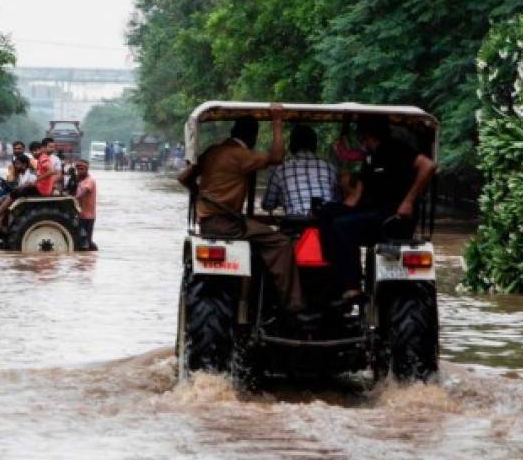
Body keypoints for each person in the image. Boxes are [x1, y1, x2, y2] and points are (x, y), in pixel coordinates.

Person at [178, 106, 306, 314]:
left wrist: (200, 193)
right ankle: (293, 305)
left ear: (232, 132)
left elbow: (183, 178)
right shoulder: (241, 155)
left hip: (209, 223)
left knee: (258, 231)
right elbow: (277, 157)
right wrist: (276, 122)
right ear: (252, 136)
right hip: (229, 225)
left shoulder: (212, 151)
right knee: (281, 243)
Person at [322, 115, 436, 301]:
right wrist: (333, 208)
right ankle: (334, 281)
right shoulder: (371, 159)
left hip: (392, 217)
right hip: (372, 215)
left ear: (367, 135)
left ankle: (351, 285)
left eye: (361, 137)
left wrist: (408, 201)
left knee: (340, 227)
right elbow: (354, 199)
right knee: (329, 216)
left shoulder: (396, 149)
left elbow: (428, 165)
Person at [262, 124, 339, 216]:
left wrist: (281, 198)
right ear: (314, 144)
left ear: (291, 145)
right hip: (325, 220)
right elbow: (336, 197)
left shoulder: (281, 169)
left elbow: (268, 205)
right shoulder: (330, 167)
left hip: (295, 222)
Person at [74, 159, 97, 250]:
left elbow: (84, 191)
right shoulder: (79, 181)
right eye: (78, 169)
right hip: (80, 215)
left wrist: (75, 197)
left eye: (82, 169)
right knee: (81, 239)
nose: (79, 171)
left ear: (86, 169)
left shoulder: (90, 180)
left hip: (88, 216)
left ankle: (88, 261)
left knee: (86, 240)